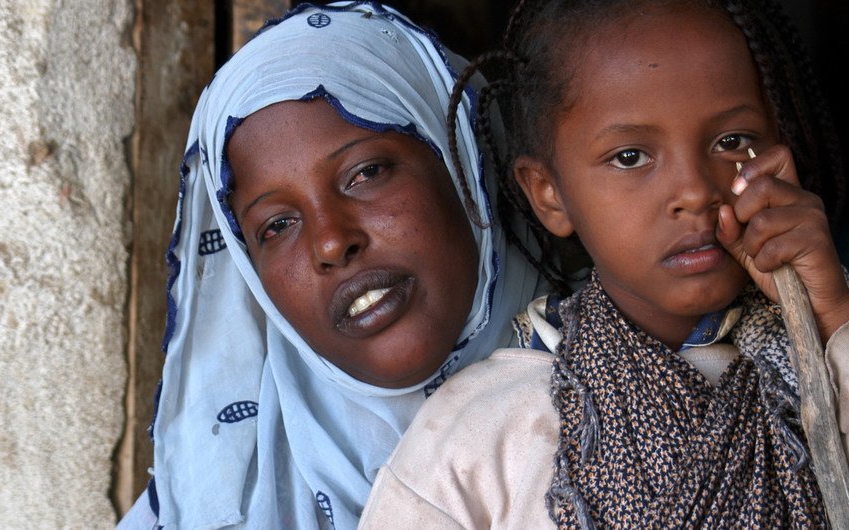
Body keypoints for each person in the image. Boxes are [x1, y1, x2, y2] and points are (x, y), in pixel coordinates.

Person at [358, 0, 849, 528]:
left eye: (731, 142)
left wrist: (830, 323)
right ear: (549, 192)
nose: (695, 189)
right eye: (631, 156)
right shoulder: (482, 428)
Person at [116, 2, 542, 528]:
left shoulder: (631, 413)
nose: (332, 243)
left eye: (366, 173)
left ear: (464, 164)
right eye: (276, 225)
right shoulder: (210, 511)